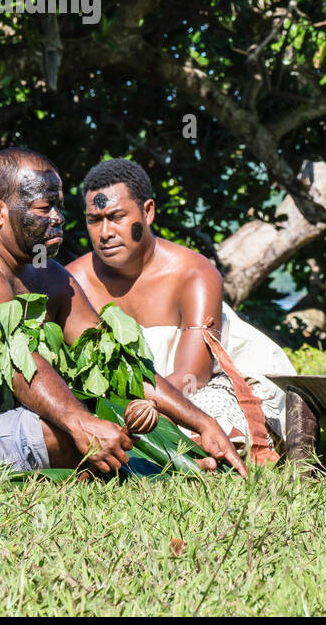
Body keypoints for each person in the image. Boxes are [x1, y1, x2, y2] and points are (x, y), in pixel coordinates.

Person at [0, 148, 244, 475]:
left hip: (3, 423)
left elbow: (115, 363)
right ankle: (173, 466)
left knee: (110, 412)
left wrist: (202, 422)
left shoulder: (47, 275)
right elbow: (17, 364)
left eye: (58, 206)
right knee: (91, 435)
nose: (57, 219)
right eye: (44, 208)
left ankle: (180, 459)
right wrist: (81, 425)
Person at [68, 159, 294, 463]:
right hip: (126, 403)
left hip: (200, 386)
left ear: (147, 212)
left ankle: (183, 457)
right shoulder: (72, 283)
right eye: (95, 220)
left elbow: (194, 374)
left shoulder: (193, 273)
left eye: (117, 216)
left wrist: (143, 409)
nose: (105, 232)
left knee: (218, 414)